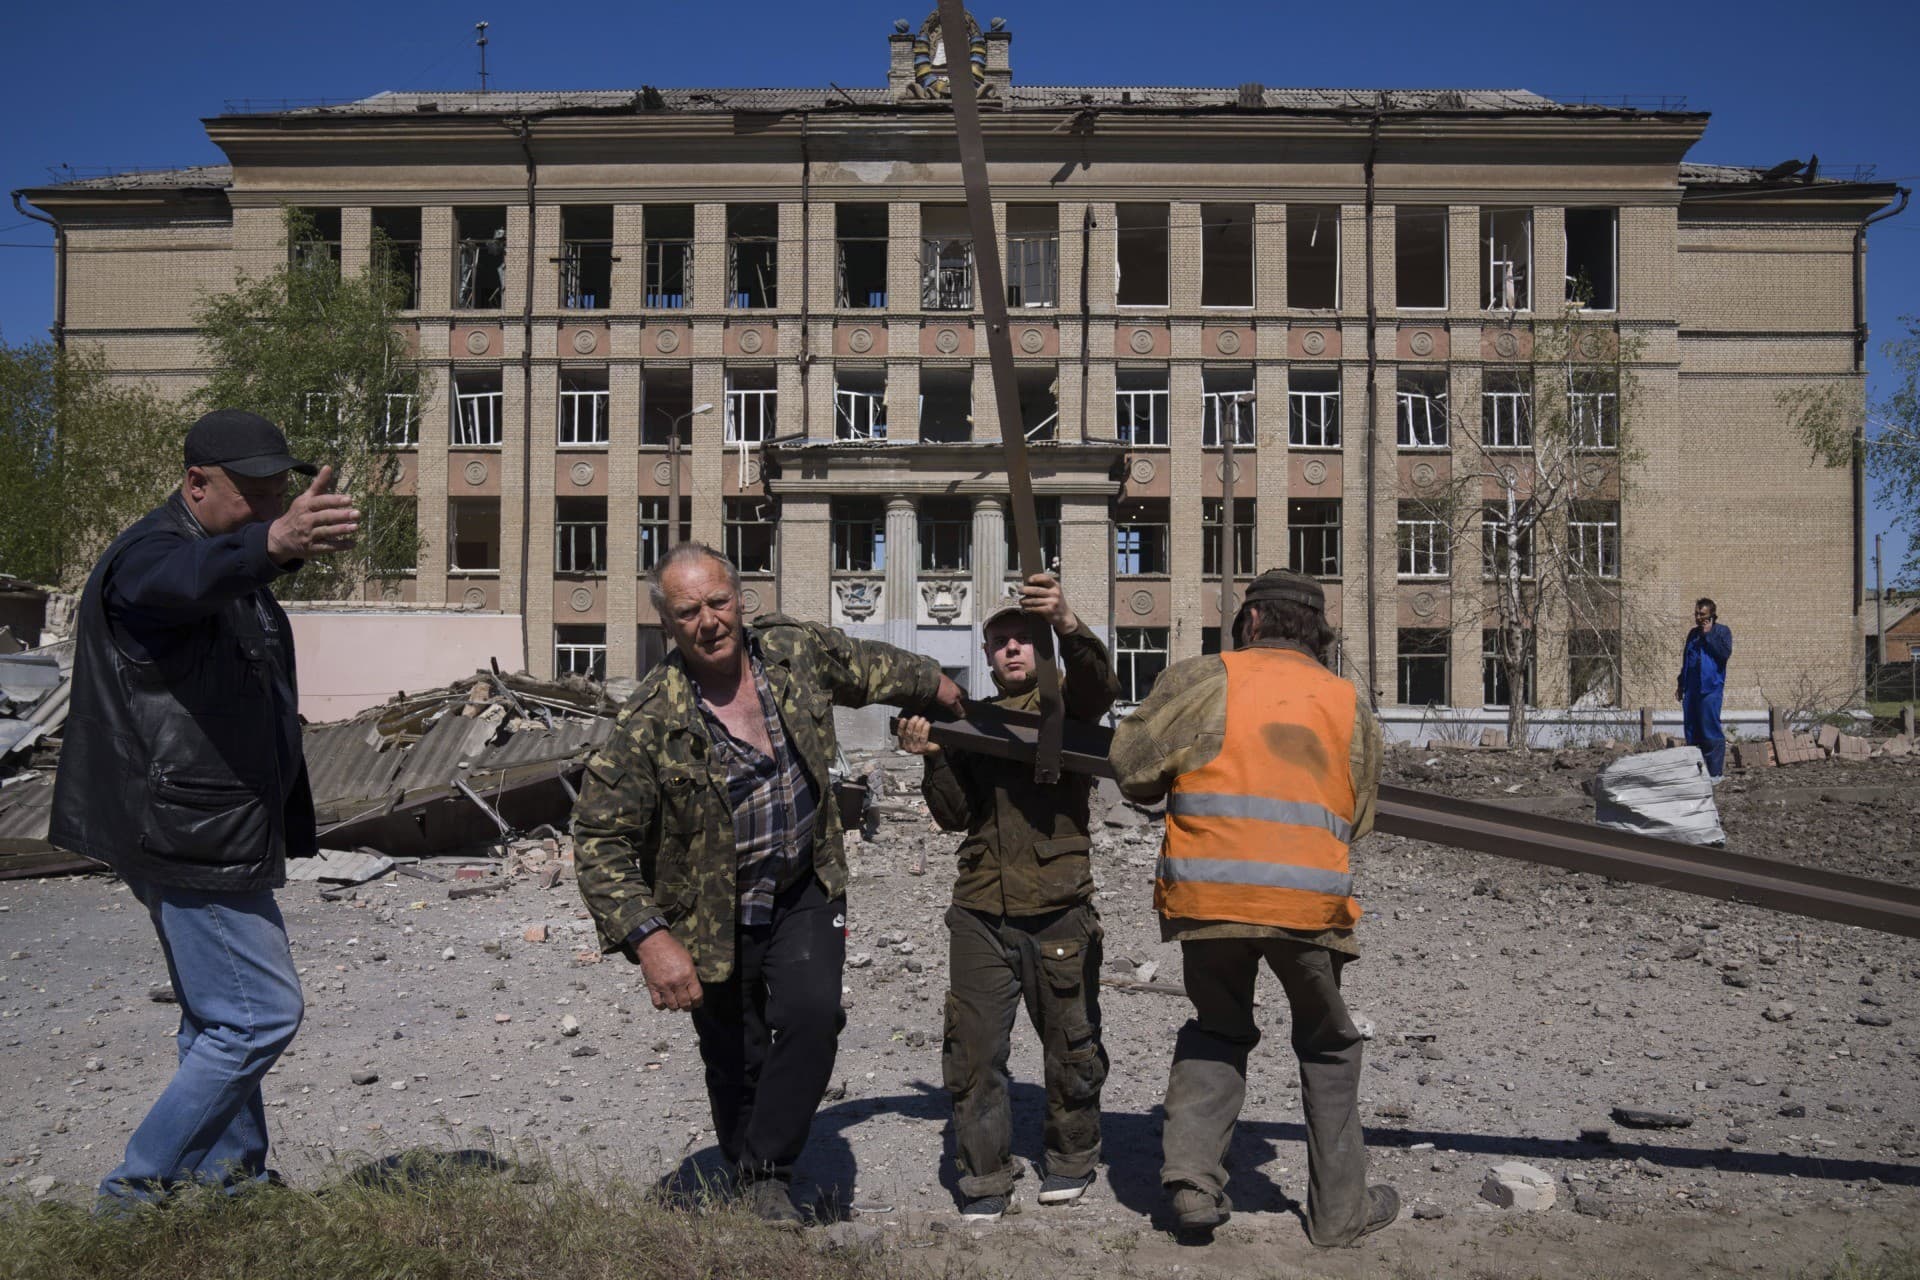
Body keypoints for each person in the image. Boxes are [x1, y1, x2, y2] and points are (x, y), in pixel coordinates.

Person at [572, 542, 964, 1226]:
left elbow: (870, 666)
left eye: (718, 602)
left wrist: (943, 689)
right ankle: (752, 1173)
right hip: (709, 913)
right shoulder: (647, 723)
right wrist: (649, 939)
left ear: (741, 599)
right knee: (734, 1054)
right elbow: (599, 840)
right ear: (667, 622)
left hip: (804, 884)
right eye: (688, 611)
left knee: (813, 1018)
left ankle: (764, 1169)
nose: (709, 621)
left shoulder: (793, 654)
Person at [50, 409, 360, 1209]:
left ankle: (233, 1180)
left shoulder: (219, 555)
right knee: (258, 1016)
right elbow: (181, 583)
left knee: (214, 1016)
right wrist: (273, 543)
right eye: (251, 497)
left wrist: (272, 550)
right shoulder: (147, 559)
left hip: (211, 820)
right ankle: (134, 1191)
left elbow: (223, 580)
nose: (266, 510)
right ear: (195, 485)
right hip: (187, 829)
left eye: (276, 497)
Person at [1108, 568, 1398, 1246]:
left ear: (1255, 622)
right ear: (1316, 634)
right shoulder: (1347, 702)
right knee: (1327, 1047)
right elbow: (1358, 817)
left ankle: (1193, 1185)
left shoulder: (1205, 680)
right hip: (1308, 906)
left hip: (1210, 898)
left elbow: (1132, 767)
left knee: (1218, 1027)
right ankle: (1338, 1215)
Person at [896, 572, 1120, 1221]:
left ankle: (1073, 1158)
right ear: (988, 655)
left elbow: (1099, 685)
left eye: (1024, 639)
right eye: (1001, 643)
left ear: (1040, 648)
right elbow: (954, 814)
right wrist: (934, 755)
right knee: (971, 1052)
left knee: (1072, 1046)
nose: (1013, 650)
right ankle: (985, 1179)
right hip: (979, 910)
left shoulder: (1065, 711)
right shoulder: (974, 720)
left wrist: (1070, 624)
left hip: (1057, 905)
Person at [1677, 597, 1733, 780]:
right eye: (1696, 614)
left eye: (1702, 614)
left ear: (1712, 615)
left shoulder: (1721, 632)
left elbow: (1724, 654)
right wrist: (1680, 683)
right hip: (1692, 690)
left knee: (1710, 730)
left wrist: (1709, 635)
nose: (1698, 617)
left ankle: (1715, 773)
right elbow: (1687, 660)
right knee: (1692, 731)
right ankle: (1697, 774)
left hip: (1710, 689)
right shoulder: (1693, 634)